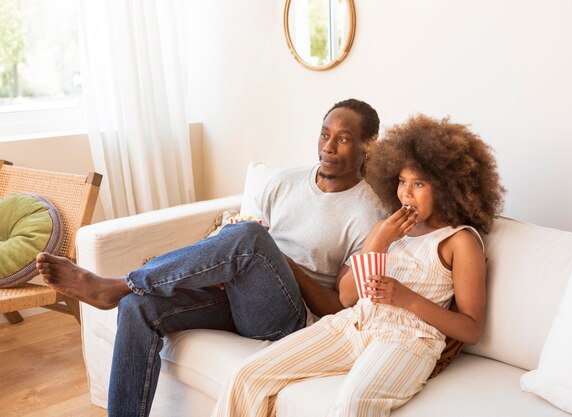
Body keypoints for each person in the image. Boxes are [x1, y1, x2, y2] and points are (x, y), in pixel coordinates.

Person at [35, 98, 388, 417]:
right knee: (137, 308)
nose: (327, 147)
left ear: (366, 147)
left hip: (289, 318)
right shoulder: (285, 181)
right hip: (238, 294)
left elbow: (340, 308)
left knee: (251, 237)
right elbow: (241, 238)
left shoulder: (366, 212)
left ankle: (118, 284)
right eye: (325, 134)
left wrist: (284, 263)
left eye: (342, 139)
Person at [211, 114, 506, 417]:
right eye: (402, 182)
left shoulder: (460, 241)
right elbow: (349, 298)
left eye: (419, 184)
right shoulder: (387, 227)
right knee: (246, 376)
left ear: (446, 187)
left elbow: (471, 328)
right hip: (353, 323)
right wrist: (379, 240)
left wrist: (406, 298)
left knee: (354, 404)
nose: (406, 193)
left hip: (408, 340)